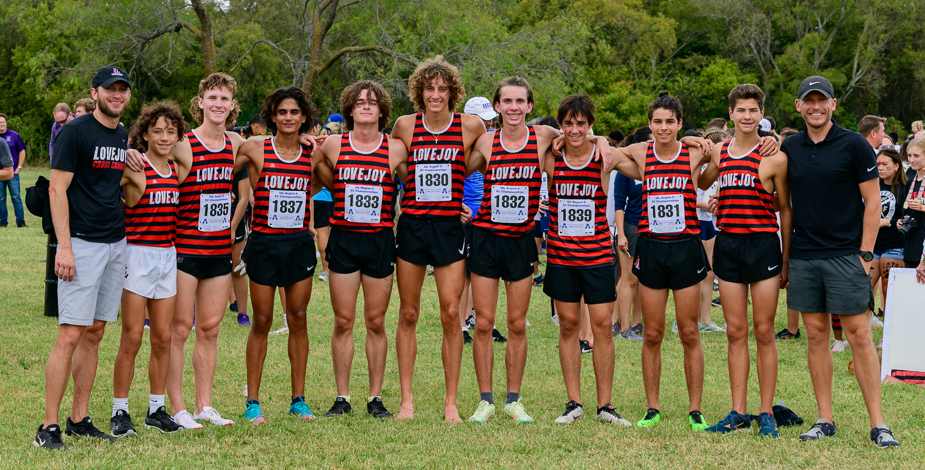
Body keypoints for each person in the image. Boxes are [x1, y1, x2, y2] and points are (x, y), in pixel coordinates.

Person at [613, 91, 752, 431]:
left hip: (686, 247)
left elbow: (716, 147)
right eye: (657, 121)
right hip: (652, 248)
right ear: (649, 124)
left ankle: (695, 409)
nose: (663, 127)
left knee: (690, 332)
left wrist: (696, 140)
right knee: (653, 334)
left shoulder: (694, 152)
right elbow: (606, 152)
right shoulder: (640, 153)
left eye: (670, 122)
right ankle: (652, 407)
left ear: (679, 124)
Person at [127, 73, 251, 429]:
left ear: (232, 105)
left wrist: (309, 138)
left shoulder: (237, 143)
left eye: (224, 98)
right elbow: (148, 156)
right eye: (212, 97)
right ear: (200, 102)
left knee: (210, 329)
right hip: (182, 249)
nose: (218, 104)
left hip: (217, 251)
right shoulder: (183, 143)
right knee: (180, 329)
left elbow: (271, 146)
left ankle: (204, 405)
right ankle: (177, 407)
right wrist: (127, 155)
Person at [782, 76, 898, 447]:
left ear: (833, 104)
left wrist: (865, 255)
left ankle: (879, 424)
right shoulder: (789, 146)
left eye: (822, 100)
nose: (815, 106)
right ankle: (824, 419)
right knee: (815, 335)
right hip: (804, 256)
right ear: (799, 106)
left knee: (860, 335)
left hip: (847, 255)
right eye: (808, 101)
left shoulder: (854, 145)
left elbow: (873, 204)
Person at [36, 66, 144, 450]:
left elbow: (110, 185)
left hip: (116, 241)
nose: (117, 95)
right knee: (69, 335)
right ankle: (48, 427)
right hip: (81, 243)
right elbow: (57, 190)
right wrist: (64, 246)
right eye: (110, 89)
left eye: (123, 89)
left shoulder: (120, 134)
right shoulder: (75, 131)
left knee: (95, 333)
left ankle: (79, 419)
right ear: (95, 92)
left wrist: (131, 160)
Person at [464, 78, 568, 424]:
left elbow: (588, 139)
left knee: (517, 323)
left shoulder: (543, 139)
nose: (512, 107)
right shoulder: (485, 140)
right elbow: (455, 170)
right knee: (484, 323)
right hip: (486, 239)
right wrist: (461, 206)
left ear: (530, 107)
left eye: (519, 101)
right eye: (506, 101)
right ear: (497, 106)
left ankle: (513, 399)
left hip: (522, 241)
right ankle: (485, 401)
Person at [389, 56, 483, 422]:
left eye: (443, 88)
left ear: (453, 92)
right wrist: (409, 188)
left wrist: (464, 199)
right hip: (412, 224)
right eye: (429, 88)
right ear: (419, 91)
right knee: (408, 312)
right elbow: (395, 164)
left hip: (448, 229)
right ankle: (407, 402)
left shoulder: (470, 125)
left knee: (450, 314)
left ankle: (451, 403)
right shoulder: (405, 125)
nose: (436, 94)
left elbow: (492, 154)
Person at [702, 84, 791, 437]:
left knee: (764, 331)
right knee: (736, 332)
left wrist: (786, 260)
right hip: (728, 246)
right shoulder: (721, 151)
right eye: (741, 110)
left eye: (753, 110)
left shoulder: (774, 156)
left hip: (763, 247)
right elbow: (702, 180)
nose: (747, 116)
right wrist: (705, 151)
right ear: (732, 114)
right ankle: (738, 411)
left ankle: (766, 411)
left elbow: (785, 208)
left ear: (761, 115)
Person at [543, 93, 637, 426]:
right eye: (568, 123)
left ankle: (605, 405)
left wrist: (602, 142)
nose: (574, 129)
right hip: (561, 256)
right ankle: (573, 402)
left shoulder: (605, 159)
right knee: (568, 326)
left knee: (602, 329)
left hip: (597, 256)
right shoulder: (551, 158)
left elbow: (642, 163)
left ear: (590, 124)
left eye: (581, 124)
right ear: (560, 125)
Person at [315, 80, 404, 419]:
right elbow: (315, 176)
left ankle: (375, 397)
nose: (366, 106)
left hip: (380, 239)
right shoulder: (334, 145)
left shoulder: (395, 148)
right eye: (359, 101)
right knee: (343, 320)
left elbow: (416, 186)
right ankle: (342, 397)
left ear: (382, 110)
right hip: (344, 239)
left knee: (376, 321)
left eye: (372, 101)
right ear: (350, 109)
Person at [236, 87, 321, 423]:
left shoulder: (312, 153)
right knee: (262, 320)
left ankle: (298, 399)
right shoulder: (255, 148)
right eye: (282, 112)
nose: (288, 118)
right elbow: (217, 165)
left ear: (304, 117)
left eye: (295, 112)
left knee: (298, 317)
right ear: (272, 116)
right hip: (264, 245)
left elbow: (325, 180)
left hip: (298, 243)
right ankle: (252, 402)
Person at [110, 101, 190, 436]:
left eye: (171, 131)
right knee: (131, 336)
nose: (164, 136)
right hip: (137, 255)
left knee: (162, 337)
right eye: (157, 130)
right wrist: (128, 150)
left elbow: (193, 142)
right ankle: (120, 411)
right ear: (144, 133)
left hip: (166, 256)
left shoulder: (176, 168)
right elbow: (104, 165)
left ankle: (156, 409)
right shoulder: (134, 169)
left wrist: (176, 132)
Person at [870, 148, 907, 318]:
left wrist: (884, 222)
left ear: (896, 166)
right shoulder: (871, 185)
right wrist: (889, 222)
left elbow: (905, 221)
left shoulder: (905, 188)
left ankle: (888, 334)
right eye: (878, 164)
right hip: (871, 245)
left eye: (885, 164)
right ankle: (861, 330)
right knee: (864, 289)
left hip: (894, 247)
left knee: (888, 290)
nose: (880, 168)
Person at [313, 122, 342, 282]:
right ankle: (328, 269)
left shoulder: (319, 148)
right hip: (331, 198)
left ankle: (326, 270)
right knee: (329, 236)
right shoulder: (336, 150)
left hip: (320, 198)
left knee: (322, 236)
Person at [898, 137, 925, 271]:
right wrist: (901, 221)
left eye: (916, 156)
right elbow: (905, 209)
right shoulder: (910, 181)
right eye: (909, 155)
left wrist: (922, 207)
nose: (912, 159)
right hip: (911, 245)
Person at [0, 113, 27, 227]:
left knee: (16, 197)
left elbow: (22, 151)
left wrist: (19, 168)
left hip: (12, 172)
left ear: (6, 123)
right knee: (0, 198)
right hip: (0, 173)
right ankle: (2, 221)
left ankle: (20, 221)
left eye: (3, 122)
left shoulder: (14, 135)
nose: (1, 124)